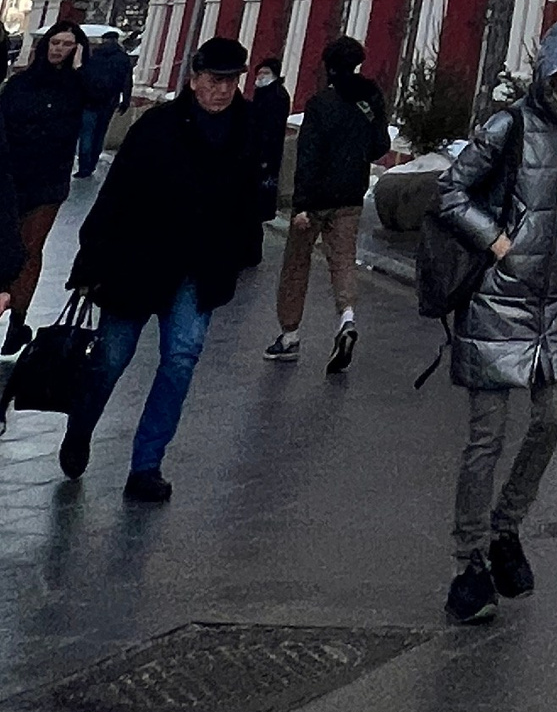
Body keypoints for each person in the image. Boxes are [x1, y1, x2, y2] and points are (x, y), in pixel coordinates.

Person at [436, 17, 557, 627]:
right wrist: (498, 244)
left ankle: (505, 526)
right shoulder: (509, 124)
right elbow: (451, 192)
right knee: (485, 437)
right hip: (498, 300)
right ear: (552, 73)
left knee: (556, 416)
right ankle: (468, 563)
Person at [60, 32, 265, 502]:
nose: (222, 90)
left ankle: (146, 465)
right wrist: (91, 260)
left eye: (231, 82)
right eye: (214, 80)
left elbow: (249, 199)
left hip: (200, 268)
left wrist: (239, 251)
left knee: (179, 360)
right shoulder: (158, 126)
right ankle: (82, 425)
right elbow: (117, 194)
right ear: (194, 79)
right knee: (112, 358)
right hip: (137, 263)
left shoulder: (246, 129)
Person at [266, 34, 390, 372]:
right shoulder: (370, 99)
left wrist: (301, 204)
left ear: (329, 67)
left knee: (296, 264)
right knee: (344, 262)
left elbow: (308, 155)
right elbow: (381, 145)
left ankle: (289, 336)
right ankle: (346, 320)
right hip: (351, 196)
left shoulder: (321, 103)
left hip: (316, 198)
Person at [3, 14, 88, 351]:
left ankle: (17, 321)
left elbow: (98, 97)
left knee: (30, 249)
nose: (60, 50)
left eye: (68, 45)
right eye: (56, 43)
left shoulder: (77, 87)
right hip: (11, 176)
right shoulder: (21, 84)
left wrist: (81, 71)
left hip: (48, 183)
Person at [74, 23, 133, 182]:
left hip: (89, 101)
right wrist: (125, 100)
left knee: (86, 133)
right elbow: (127, 81)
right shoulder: (123, 58)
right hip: (109, 102)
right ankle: (92, 163)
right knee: (100, 133)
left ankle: (83, 166)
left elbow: (84, 77)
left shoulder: (95, 55)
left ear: (104, 40)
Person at [246, 56, 291, 222]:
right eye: (259, 72)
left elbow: (271, 127)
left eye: (265, 72)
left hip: (266, 149)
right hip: (260, 147)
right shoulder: (264, 92)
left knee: (263, 184)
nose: (260, 76)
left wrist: (264, 151)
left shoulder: (276, 95)